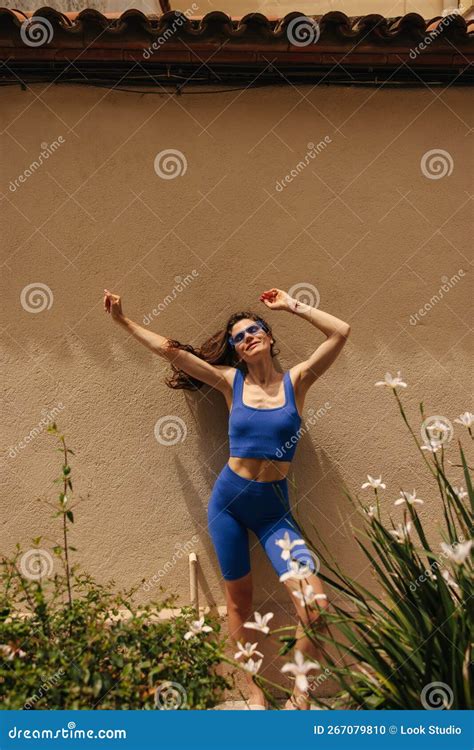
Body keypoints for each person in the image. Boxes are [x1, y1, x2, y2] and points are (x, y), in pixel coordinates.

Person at [103, 286, 351, 709]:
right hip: (229, 504)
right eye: (239, 336)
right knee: (240, 602)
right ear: (235, 351)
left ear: (268, 338)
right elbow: (171, 352)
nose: (248, 337)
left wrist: (292, 305)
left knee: (315, 606)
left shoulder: (297, 381)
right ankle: (253, 690)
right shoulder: (229, 382)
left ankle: (300, 692)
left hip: (275, 511)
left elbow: (340, 333)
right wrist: (123, 321)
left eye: (255, 330)